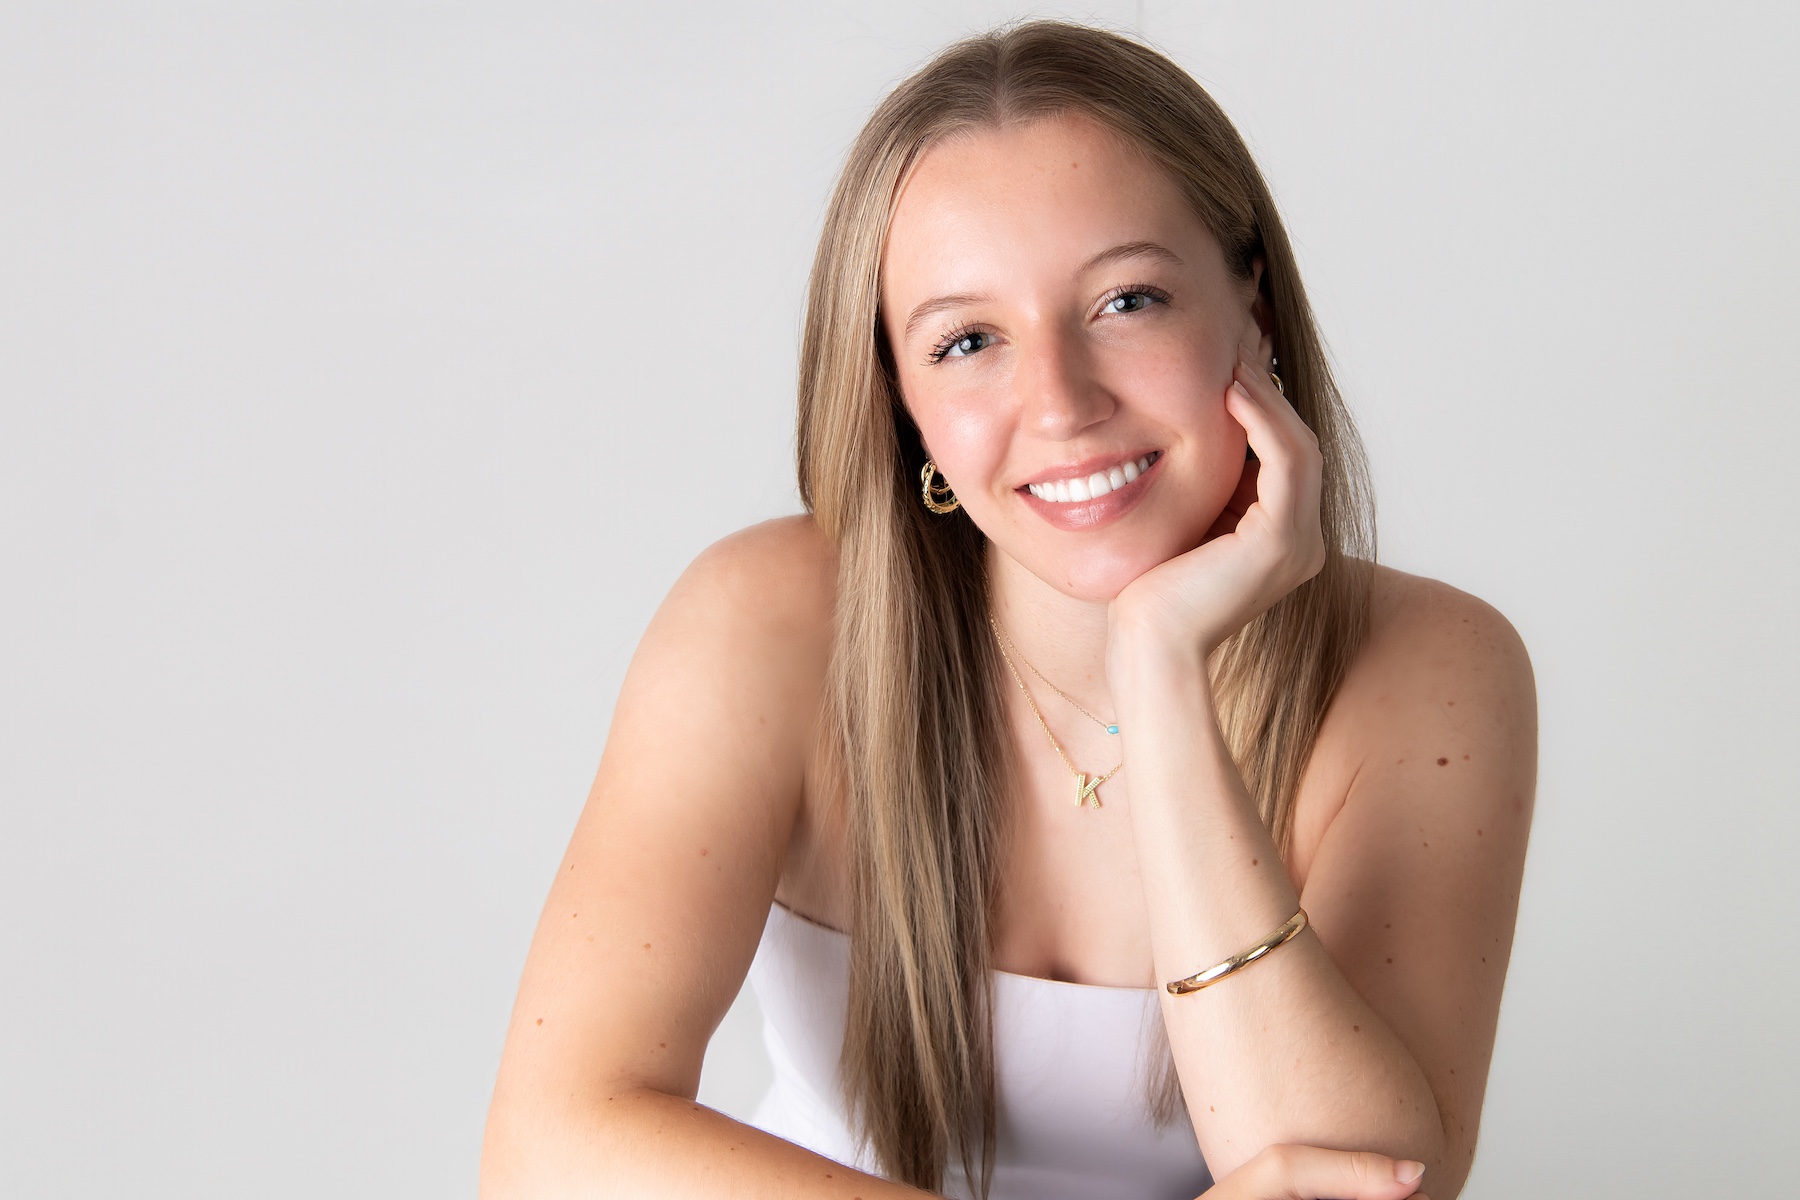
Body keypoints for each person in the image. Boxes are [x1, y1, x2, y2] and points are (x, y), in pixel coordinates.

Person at [479, 20, 1535, 1200]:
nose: (1061, 403)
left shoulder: (1432, 666)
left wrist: (1162, 663)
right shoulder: (765, 624)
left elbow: (1380, 1186)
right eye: (968, 340)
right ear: (902, 406)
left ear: (1256, 310)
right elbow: (548, 1150)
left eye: (1127, 301)